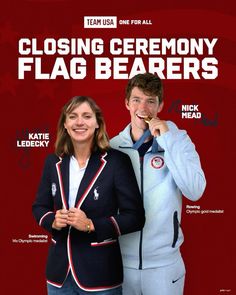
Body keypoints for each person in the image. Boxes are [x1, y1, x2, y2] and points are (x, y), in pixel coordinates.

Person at [32, 96, 145, 295]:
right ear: (65, 124)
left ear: (97, 123)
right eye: (73, 116)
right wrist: (52, 220)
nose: (79, 122)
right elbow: (39, 207)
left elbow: (135, 217)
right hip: (59, 277)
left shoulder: (117, 162)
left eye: (86, 116)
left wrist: (90, 225)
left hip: (101, 275)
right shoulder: (52, 162)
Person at [110, 73, 206, 295]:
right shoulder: (112, 148)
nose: (143, 107)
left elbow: (195, 190)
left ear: (160, 105)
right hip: (120, 264)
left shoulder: (179, 140)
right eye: (136, 99)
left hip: (165, 266)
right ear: (127, 103)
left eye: (150, 101)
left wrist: (167, 140)